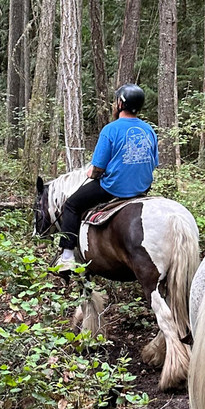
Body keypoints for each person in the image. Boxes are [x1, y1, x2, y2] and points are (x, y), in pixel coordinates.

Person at [52, 83, 159, 273]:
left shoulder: (110, 130)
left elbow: (97, 169)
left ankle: (67, 256)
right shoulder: (148, 130)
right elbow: (154, 162)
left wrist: (90, 173)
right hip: (142, 188)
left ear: (120, 104)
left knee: (71, 205)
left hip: (114, 188)